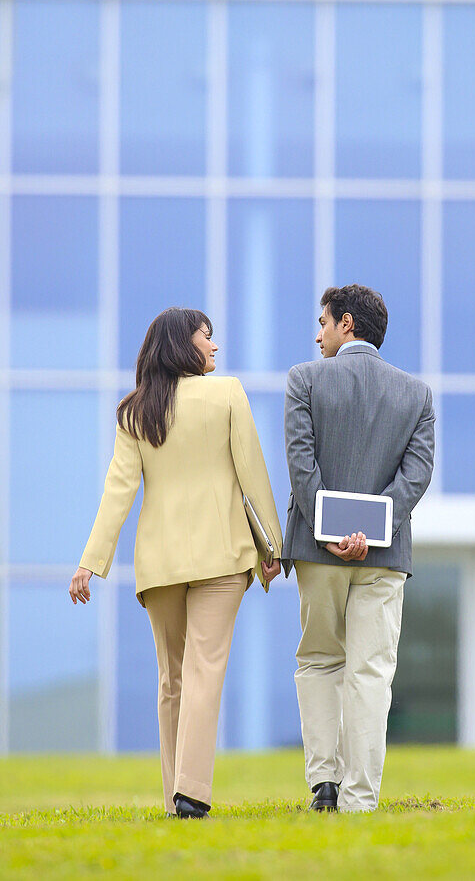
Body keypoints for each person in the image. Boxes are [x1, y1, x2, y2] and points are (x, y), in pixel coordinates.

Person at [69, 307, 282, 819]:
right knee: (204, 672)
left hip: (160, 564)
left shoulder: (135, 411)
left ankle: (176, 798)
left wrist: (90, 562)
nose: (215, 346)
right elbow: (252, 472)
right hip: (222, 557)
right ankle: (191, 794)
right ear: (184, 343)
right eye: (208, 337)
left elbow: (116, 493)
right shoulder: (229, 392)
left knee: (173, 681)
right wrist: (272, 546)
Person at [283, 284, 435, 813]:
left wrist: (331, 532)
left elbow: (302, 468)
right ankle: (360, 799)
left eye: (322, 322)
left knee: (321, 661)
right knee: (370, 672)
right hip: (386, 557)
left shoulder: (304, 379)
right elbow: (416, 477)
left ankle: (324, 784)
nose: (316, 333)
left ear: (346, 323)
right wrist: (370, 530)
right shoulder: (416, 395)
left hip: (317, 553)